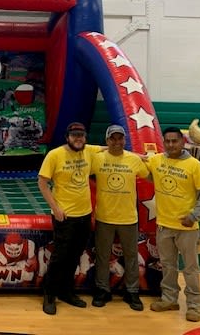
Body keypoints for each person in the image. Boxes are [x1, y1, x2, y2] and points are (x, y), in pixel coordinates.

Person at [146, 126, 200, 323]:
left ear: (183, 142)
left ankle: (194, 305)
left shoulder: (194, 165)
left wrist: (194, 216)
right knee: (168, 266)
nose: (171, 145)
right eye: (167, 141)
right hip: (164, 226)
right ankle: (169, 299)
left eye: (174, 141)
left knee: (190, 268)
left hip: (187, 228)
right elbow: (137, 162)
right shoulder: (156, 160)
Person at [37, 121, 102, 315]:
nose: (78, 139)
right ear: (67, 138)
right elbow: (42, 182)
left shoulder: (89, 151)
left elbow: (113, 149)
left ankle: (66, 291)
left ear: (85, 138)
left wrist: (142, 156)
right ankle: (49, 294)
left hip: (85, 215)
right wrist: (55, 208)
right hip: (65, 216)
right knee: (60, 256)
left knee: (75, 255)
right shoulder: (55, 155)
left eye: (81, 135)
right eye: (74, 136)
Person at [91, 124, 149, 311]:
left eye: (120, 138)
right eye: (112, 138)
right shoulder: (97, 158)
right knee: (102, 256)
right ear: (106, 140)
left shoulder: (134, 160)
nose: (117, 142)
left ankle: (132, 291)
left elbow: (150, 176)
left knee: (131, 256)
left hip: (128, 218)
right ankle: (102, 289)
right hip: (104, 217)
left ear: (125, 140)